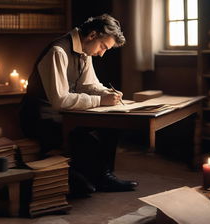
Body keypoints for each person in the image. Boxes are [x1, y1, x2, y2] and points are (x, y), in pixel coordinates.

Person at [19, 13, 138, 195]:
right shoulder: (58, 51)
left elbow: (89, 85)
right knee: (87, 139)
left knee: (112, 126)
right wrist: (100, 100)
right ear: (92, 35)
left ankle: (103, 177)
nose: (102, 53)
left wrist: (107, 93)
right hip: (39, 119)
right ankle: (89, 177)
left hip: (63, 116)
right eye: (102, 47)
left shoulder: (85, 51)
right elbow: (60, 100)